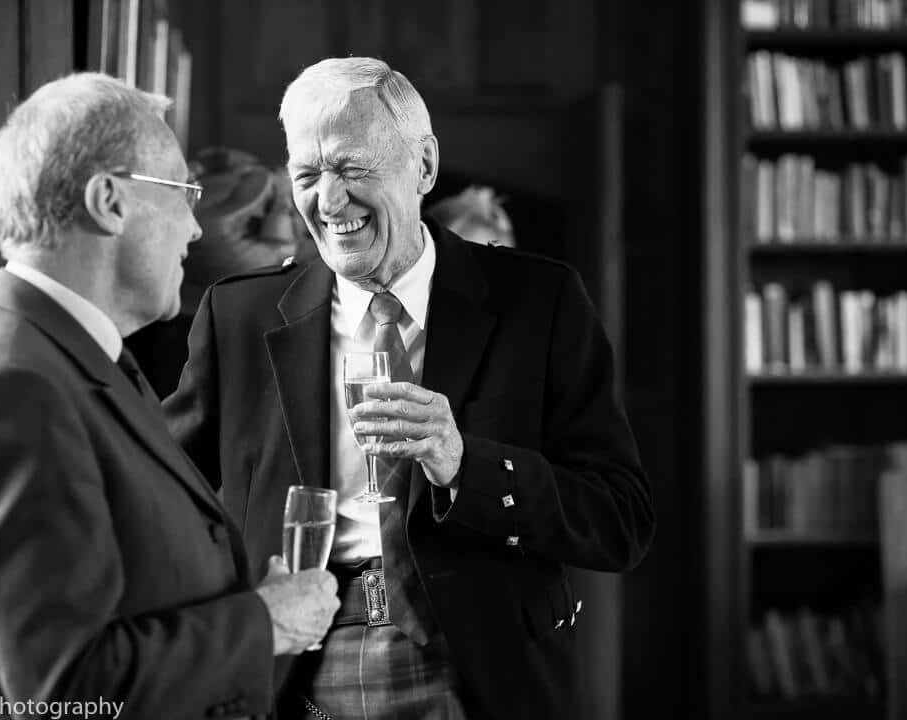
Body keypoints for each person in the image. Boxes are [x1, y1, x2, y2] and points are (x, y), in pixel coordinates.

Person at [166, 57, 654, 719]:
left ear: (423, 166)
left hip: (481, 674)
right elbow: (162, 497)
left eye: (352, 168)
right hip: (292, 673)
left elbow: (620, 521)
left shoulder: (539, 302)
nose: (327, 202)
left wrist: (464, 463)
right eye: (306, 176)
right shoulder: (239, 316)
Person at [0, 73, 339, 720]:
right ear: (109, 201)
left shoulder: (58, 352)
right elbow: (67, 691)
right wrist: (264, 623)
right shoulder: (17, 391)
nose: (195, 228)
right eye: (184, 192)